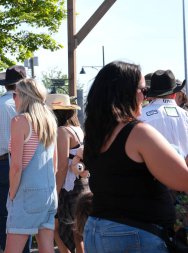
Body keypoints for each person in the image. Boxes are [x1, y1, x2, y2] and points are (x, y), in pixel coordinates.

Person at [83, 61, 188, 252]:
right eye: (143, 90)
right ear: (126, 92)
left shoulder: (95, 135)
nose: (145, 96)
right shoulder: (139, 133)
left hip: (98, 229)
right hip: (135, 235)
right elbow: (183, 179)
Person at [5, 78, 58, 253]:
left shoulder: (20, 121)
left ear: (24, 96)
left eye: (15, 94)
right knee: (47, 248)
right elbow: (54, 163)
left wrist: (12, 194)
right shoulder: (49, 120)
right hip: (49, 192)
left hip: (26, 194)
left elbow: (16, 166)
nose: (14, 98)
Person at [0, 65, 32, 253]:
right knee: (24, 216)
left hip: (1, 163)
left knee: (4, 217)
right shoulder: (31, 108)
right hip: (26, 162)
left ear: (5, 85)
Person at [46, 93, 89, 253]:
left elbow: (62, 166)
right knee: (78, 232)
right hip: (82, 183)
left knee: (64, 229)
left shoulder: (62, 131)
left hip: (69, 187)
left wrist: (55, 193)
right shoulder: (77, 129)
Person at [140, 70, 188, 157]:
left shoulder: (141, 116)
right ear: (174, 94)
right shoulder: (186, 115)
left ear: (152, 93)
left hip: (152, 169)